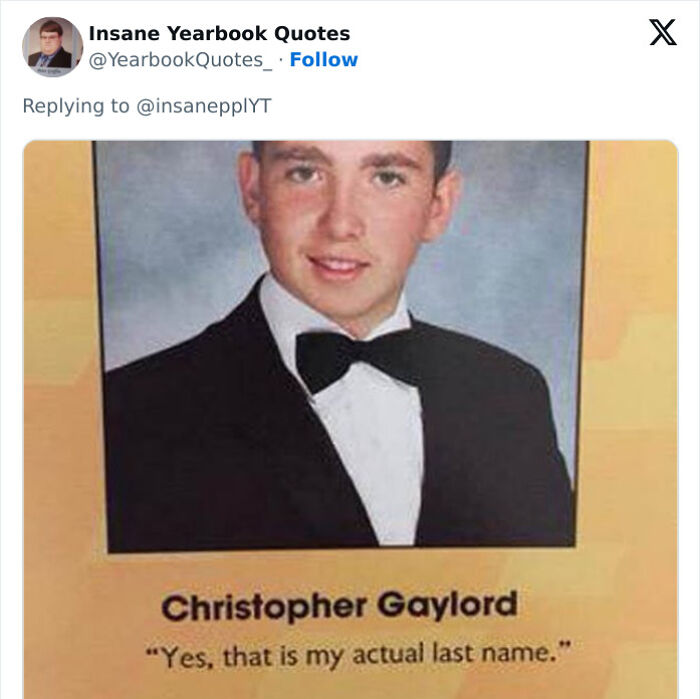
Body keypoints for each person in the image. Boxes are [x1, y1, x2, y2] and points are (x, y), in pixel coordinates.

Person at [104, 140, 574, 552]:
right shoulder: (131, 412)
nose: (341, 223)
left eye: (387, 177)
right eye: (305, 173)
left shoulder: (511, 394)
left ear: (439, 205)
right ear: (253, 189)